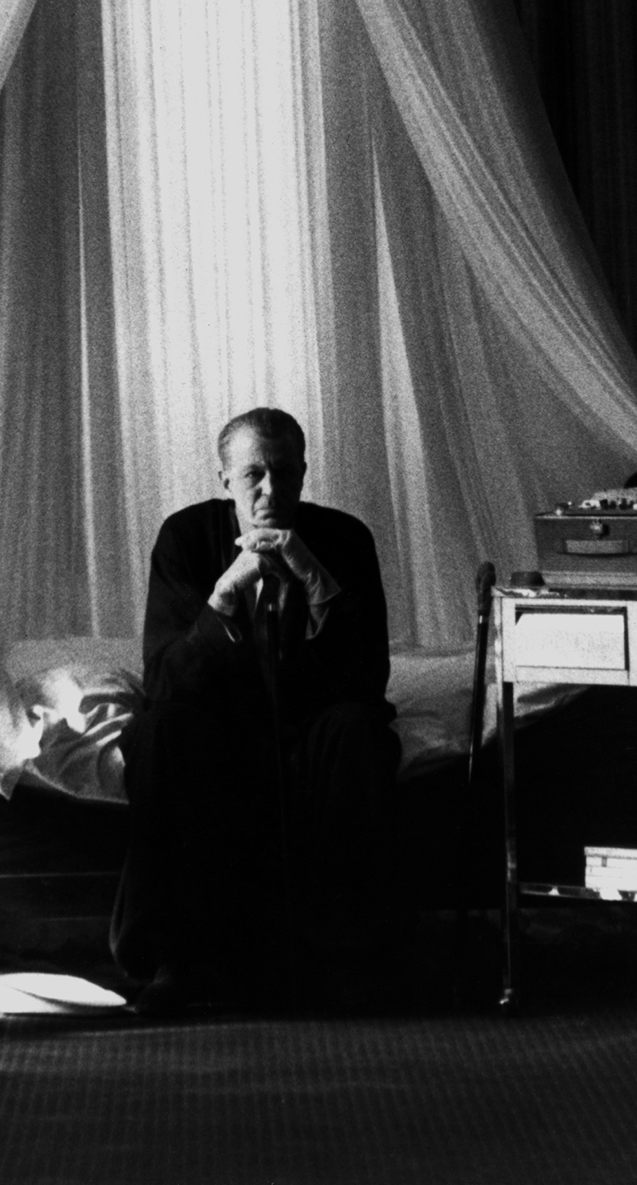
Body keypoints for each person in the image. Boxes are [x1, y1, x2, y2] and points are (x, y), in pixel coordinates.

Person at [111, 407, 401, 1015]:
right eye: (253, 475)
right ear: (224, 479)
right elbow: (164, 679)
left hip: (311, 726)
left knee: (359, 730)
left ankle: (350, 961)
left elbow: (366, 679)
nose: (271, 490)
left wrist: (316, 582)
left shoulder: (345, 539)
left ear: (304, 474)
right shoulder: (186, 538)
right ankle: (175, 962)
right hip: (216, 733)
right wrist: (223, 594)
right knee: (160, 729)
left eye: (285, 473)